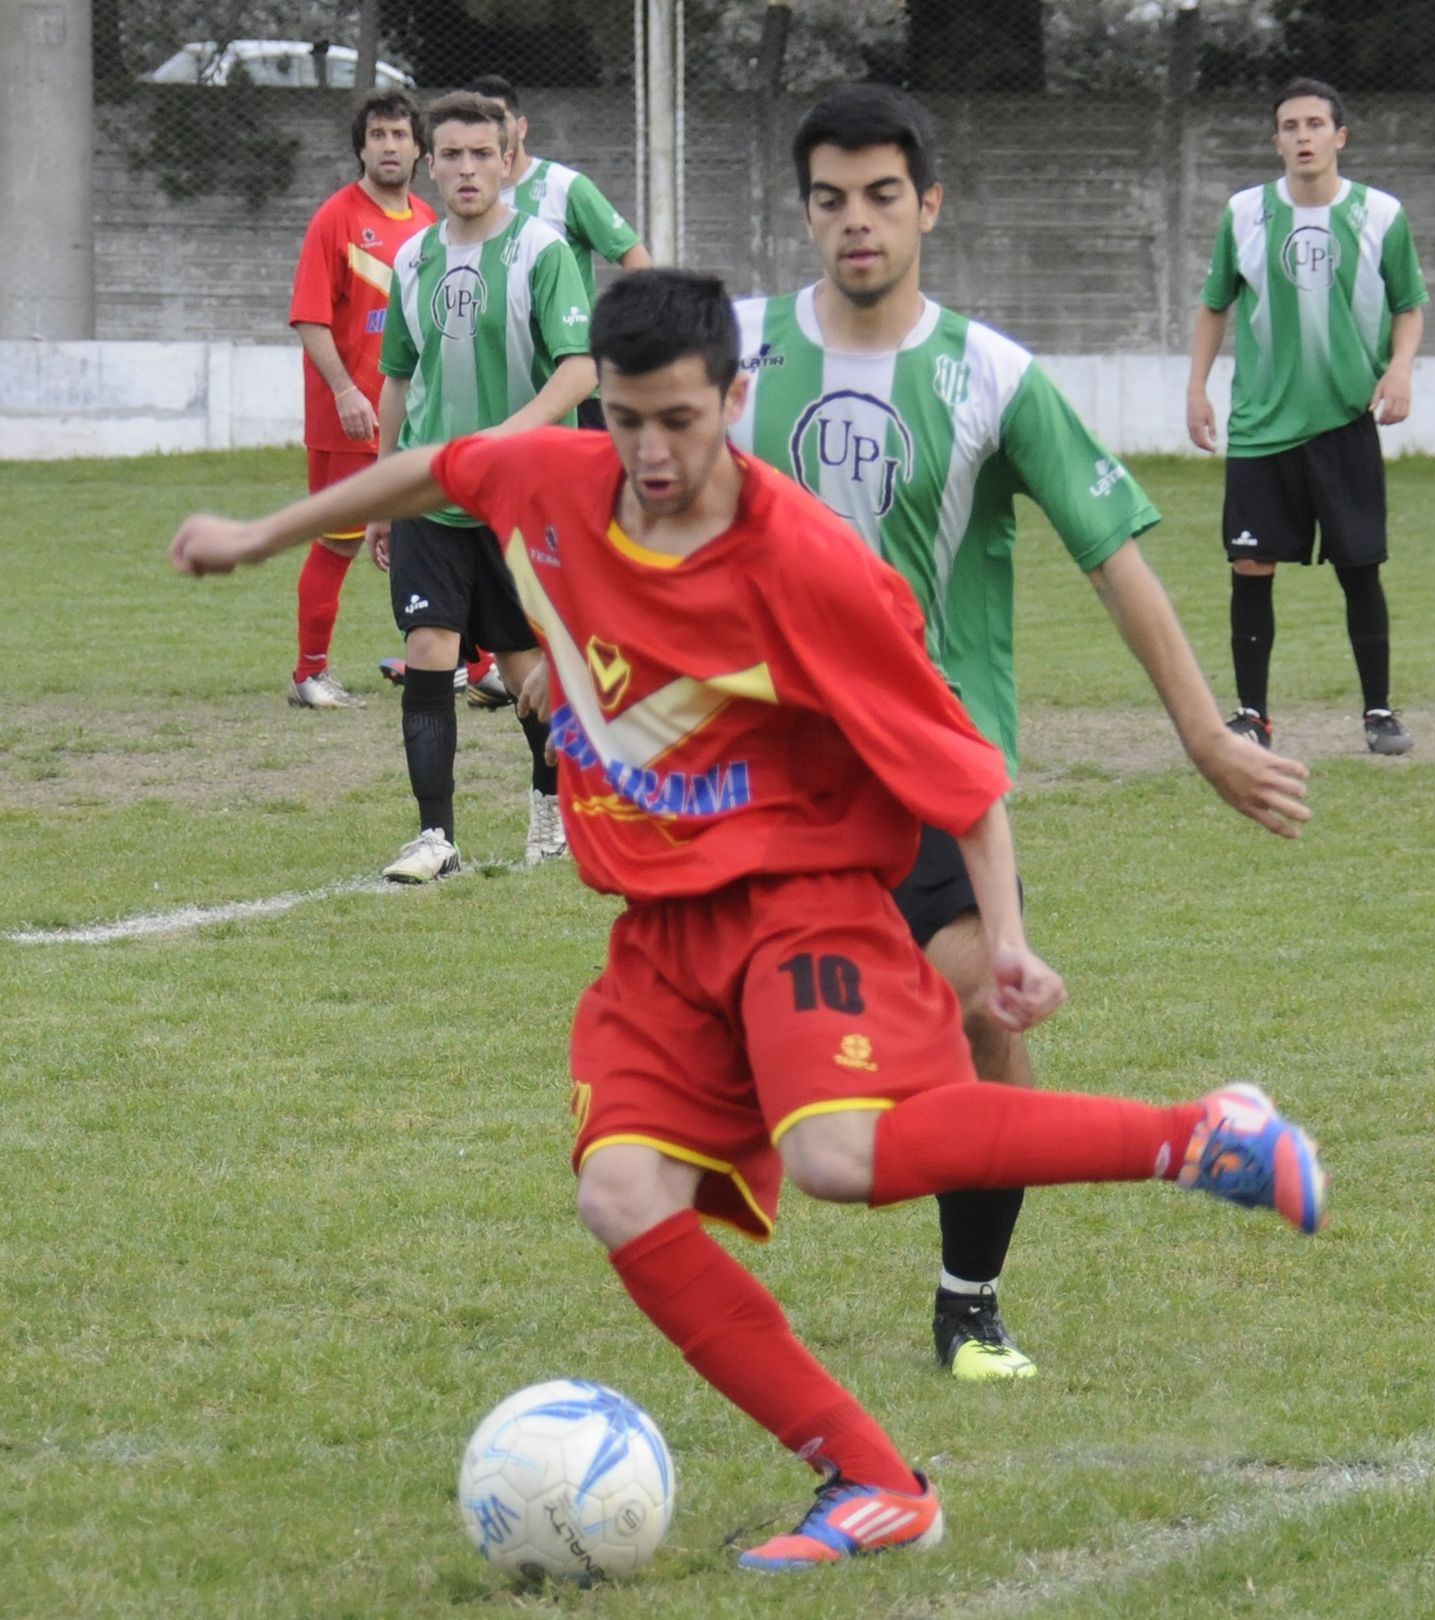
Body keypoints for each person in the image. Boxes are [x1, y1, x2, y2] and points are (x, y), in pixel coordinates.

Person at [170, 269, 1329, 1573]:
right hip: (659, 928)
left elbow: (960, 766)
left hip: (804, 897)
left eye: (680, 419)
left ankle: (1200, 1135)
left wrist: (1004, 937)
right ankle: (876, 1479)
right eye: (625, 420)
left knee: (840, 1154)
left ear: (735, 397)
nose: (651, 452)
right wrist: (264, 536)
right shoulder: (556, 483)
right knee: (619, 1193)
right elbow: (440, 463)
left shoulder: (810, 567)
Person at [728, 84, 1313, 1384]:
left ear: (928, 204)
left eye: (884, 195)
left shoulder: (992, 375)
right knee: (753, 1067)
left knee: (987, 1006)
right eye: (831, 199)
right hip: (774, 778)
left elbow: (1115, 560)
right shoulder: (738, 362)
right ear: (806, 210)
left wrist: (1209, 737)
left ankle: (970, 1306)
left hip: (937, 767)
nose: (858, 222)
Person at [371, 91, 597, 880]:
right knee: (428, 646)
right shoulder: (411, 259)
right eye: (452, 155)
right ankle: (436, 836)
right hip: (434, 494)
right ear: (430, 167)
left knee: (528, 666)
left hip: (526, 499)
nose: (466, 168)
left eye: (481, 154)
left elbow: (581, 367)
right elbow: (398, 377)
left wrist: (506, 438)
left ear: (508, 161)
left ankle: (552, 806)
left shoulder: (543, 250)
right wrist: (381, 488)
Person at [1186, 77, 1428, 756]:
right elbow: (1214, 304)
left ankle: (1379, 712)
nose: (1302, 137)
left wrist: (1400, 367)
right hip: (1262, 426)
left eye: (1315, 124)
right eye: (1289, 127)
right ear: (1277, 141)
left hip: (1344, 421)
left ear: (1339, 137)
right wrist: (1197, 388)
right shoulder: (1244, 214)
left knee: (1360, 567)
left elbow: (1409, 303)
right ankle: (1252, 716)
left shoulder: (1382, 215)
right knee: (1250, 566)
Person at [286, 89, 435, 709]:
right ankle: (308, 675)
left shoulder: (430, 223)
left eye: (400, 134)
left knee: (441, 534)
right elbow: (309, 318)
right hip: (352, 418)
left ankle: (467, 663)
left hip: (420, 416)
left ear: (420, 149)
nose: (390, 145)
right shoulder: (337, 219)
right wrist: (346, 389)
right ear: (361, 148)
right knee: (341, 540)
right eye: (378, 135)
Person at [470, 72, 653, 431]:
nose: (492, 130)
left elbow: (637, 260)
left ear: (521, 126)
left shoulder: (564, 187)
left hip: (575, 391)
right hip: (504, 391)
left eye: (499, 118)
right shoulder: (472, 203)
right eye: (480, 122)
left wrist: (612, 334)